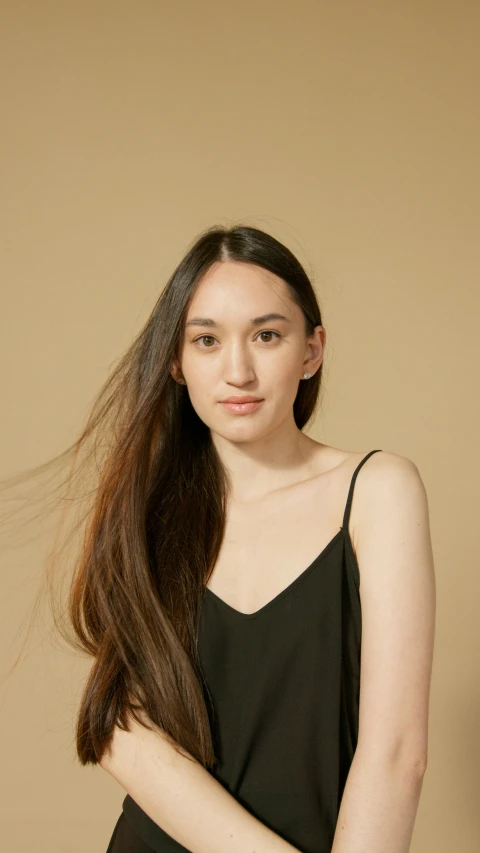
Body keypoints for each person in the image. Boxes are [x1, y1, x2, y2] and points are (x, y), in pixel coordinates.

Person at [10, 224, 434, 853]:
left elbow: (397, 754)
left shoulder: (377, 490)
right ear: (176, 363)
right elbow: (119, 728)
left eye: (267, 335)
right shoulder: (147, 510)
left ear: (312, 350)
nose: (238, 370)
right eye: (206, 340)